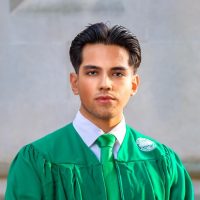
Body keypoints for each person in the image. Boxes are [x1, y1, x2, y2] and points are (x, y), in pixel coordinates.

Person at [5, 22, 194, 200]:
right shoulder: (36, 161)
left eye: (117, 74)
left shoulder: (162, 162)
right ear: (75, 82)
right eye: (92, 73)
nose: (105, 84)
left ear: (134, 84)